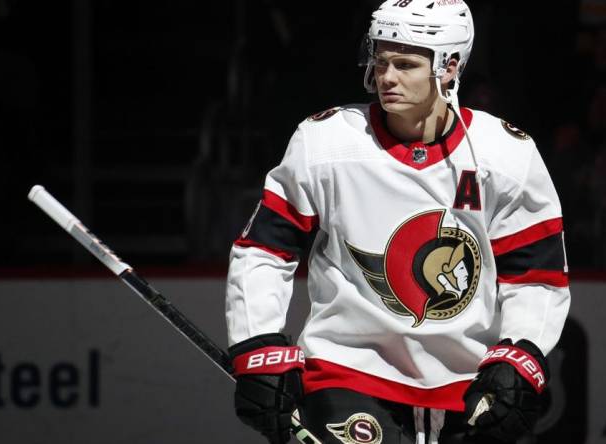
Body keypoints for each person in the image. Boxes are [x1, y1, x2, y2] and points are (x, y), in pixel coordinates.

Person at [225, 1, 570, 443]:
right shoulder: (325, 142)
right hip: (345, 374)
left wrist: (521, 353)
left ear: (448, 68)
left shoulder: (506, 156)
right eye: (381, 60)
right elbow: (264, 250)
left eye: (405, 64)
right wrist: (258, 344)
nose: (386, 77)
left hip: (466, 384)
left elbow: (536, 276)